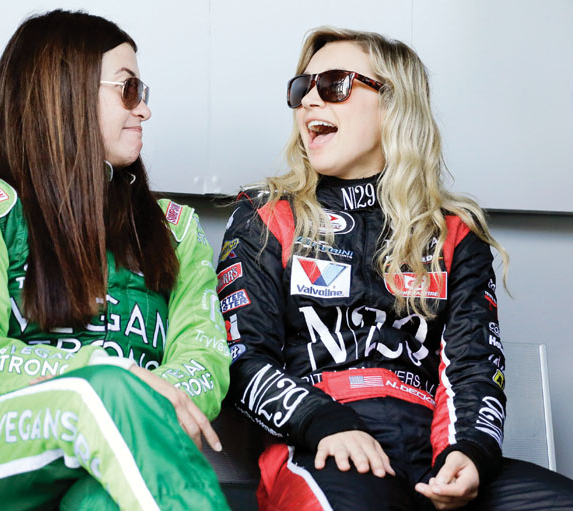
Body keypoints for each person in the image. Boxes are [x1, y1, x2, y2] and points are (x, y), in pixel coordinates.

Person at [216, 26, 573, 510]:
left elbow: (473, 366)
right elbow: (242, 358)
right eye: (302, 88)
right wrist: (325, 423)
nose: (309, 101)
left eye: (335, 85)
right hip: (324, 444)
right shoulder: (266, 216)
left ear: (393, 103)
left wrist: (468, 453)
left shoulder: (453, 231)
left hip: (434, 453)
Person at [0, 10, 231, 511]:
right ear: (64, 94)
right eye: (128, 90)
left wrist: (140, 404)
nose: (145, 109)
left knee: (107, 497)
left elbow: (205, 360)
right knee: (104, 393)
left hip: (124, 452)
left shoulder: (174, 229)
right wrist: (113, 376)